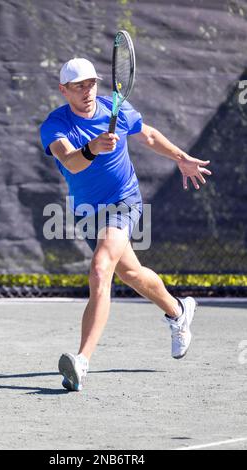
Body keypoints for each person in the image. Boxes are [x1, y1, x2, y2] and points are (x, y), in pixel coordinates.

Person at [40, 57, 212, 392]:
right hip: (87, 210)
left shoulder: (115, 106)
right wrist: (92, 147)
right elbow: (71, 163)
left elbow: (147, 135)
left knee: (101, 268)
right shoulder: (54, 125)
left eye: (91, 83)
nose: (87, 91)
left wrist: (181, 159)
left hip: (124, 201)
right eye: (78, 86)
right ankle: (178, 312)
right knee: (130, 273)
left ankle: (81, 361)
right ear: (64, 90)